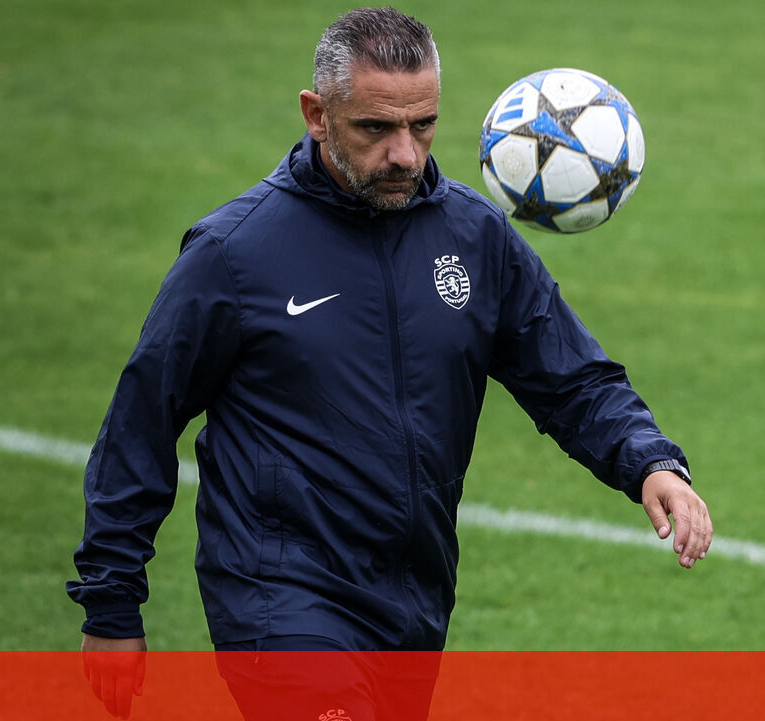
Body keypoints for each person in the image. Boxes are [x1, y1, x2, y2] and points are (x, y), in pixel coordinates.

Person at [68, 6, 712, 719]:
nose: (405, 153)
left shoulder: (474, 236)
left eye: (423, 125)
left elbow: (570, 377)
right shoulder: (235, 254)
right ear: (317, 114)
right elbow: (141, 421)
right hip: (281, 601)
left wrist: (650, 461)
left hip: (413, 602)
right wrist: (111, 602)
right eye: (376, 129)